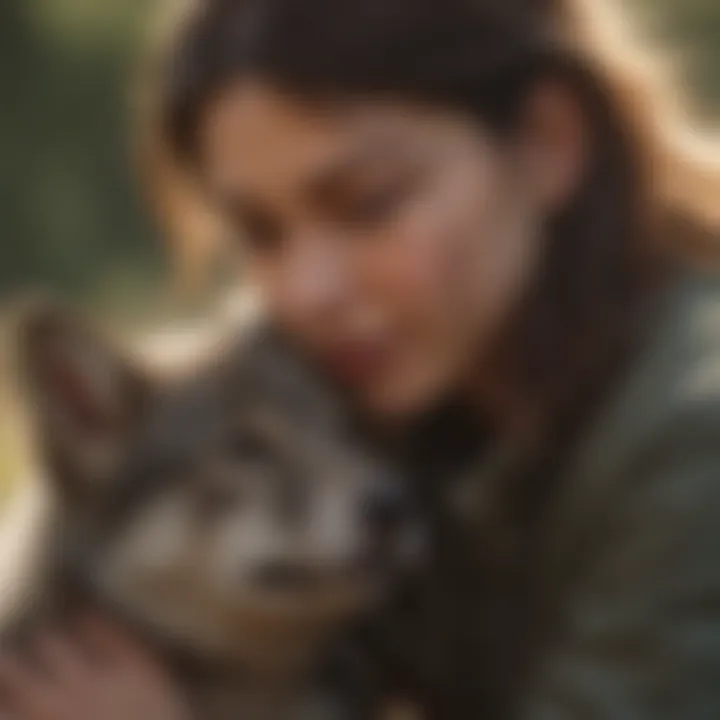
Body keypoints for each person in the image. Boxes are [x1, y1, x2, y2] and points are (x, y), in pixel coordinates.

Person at [1, 0, 719, 717]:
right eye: (262, 233)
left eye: (370, 206)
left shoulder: (693, 439)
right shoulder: (399, 375)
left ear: (546, 142)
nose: (307, 291)